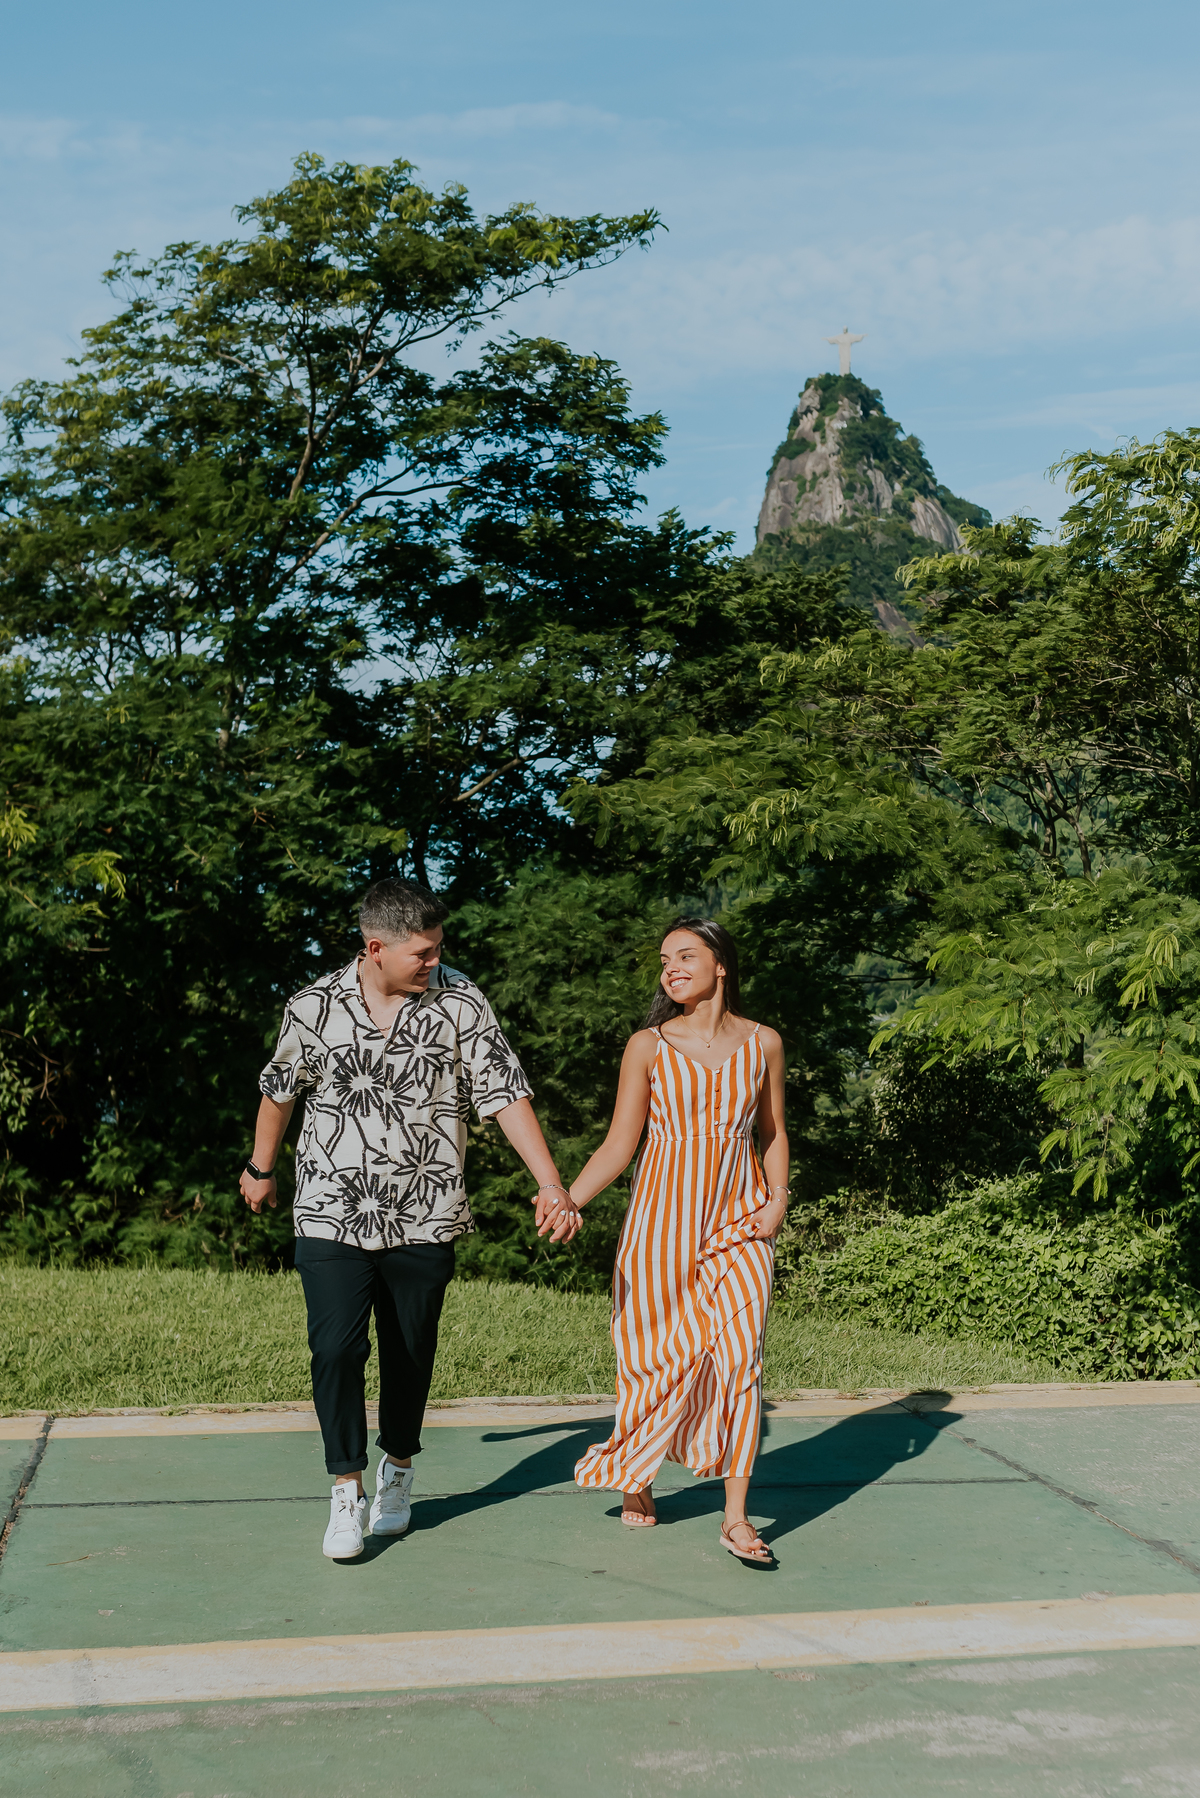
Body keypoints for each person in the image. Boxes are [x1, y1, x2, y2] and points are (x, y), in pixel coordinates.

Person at [240, 878, 580, 1560]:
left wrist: (549, 1182)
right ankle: (346, 1488)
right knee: (335, 1349)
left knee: (408, 1353)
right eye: (421, 953)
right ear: (377, 948)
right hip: (330, 1208)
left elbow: (504, 1092)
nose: (434, 961)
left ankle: (398, 1471)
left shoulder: (460, 1000)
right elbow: (279, 1091)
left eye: (437, 949)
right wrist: (260, 1167)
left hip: (427, 1212)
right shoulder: (313, 1006)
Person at [571, 919, 788, 1563]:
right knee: (652, 1361)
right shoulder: (647, 1046)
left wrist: (777, 1201)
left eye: (685, 956)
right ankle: (636, 1473)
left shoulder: (764, 1043)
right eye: (664, 960)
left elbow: (772, 1132)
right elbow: (620, 1143)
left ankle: (737, 1518)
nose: (670, 968)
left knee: (741, 1363)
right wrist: (569, 1198)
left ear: (721, 965)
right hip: (658, 1234)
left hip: (741, 1228)